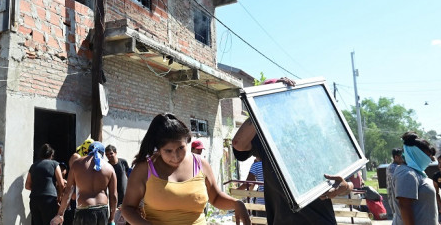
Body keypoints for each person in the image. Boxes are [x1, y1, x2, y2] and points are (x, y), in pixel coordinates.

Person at [232, 77, 354, 225]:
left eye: (280, 101)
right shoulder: (264, 140)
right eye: (268, 103)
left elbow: (348, 184)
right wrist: (260, 106)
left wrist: (345, 187)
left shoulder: (313, 136)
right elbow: (238, 144)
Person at [121, 113, 251, 225]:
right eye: (168, 151)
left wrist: (236, 203)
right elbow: (128, 208)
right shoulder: (145, 168)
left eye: (180, 148)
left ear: (187, 141)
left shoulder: (201, 164)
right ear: (159, 149)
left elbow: (216, 198)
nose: (176, 156)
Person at [51, 141, 117, 225]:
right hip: (102, 211)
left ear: (88, 151)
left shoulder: (77, 164)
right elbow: (114, 196)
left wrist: (60, 214)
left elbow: (68, 191)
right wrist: (112, 219)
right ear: (103, 153)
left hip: (84, 211)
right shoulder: (109, 168)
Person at [391, 131, 437, 225]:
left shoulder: (418, 172)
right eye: (427, 155)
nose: (429, 158)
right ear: (416, 153)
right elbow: (405, 206)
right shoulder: (407, 173)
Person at [26, 144, 66, 225]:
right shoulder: (54, 164)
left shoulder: (33, 166)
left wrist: (38, 188)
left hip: (34, 200)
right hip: (49, 200)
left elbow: (27, 186)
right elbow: (61, 183)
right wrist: (60, 196)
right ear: (51, 155)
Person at [105, 144, 130, 224]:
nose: (109, 156)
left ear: (115, 153)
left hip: (127, 199)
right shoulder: (107, 166)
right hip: (115, 201)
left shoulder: (123, 162)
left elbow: (129, 177)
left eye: (111, 153)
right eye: (107, 154)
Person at [387, 148, 404, 216]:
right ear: (396, 157)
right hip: (394, 197)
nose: (403, 158)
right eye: (401, 156)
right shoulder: (392, 168)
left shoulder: (399, 166)